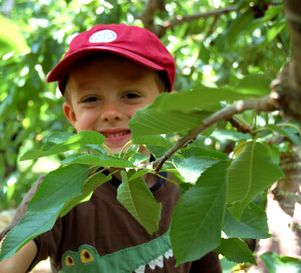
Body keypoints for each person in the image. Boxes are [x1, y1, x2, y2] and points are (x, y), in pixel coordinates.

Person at [0, 24, 222, 273]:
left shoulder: (189, 188)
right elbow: (9, 258)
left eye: (130, 95)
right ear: (72, 115)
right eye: (91, 99)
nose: (111, 113)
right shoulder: (61, 191)